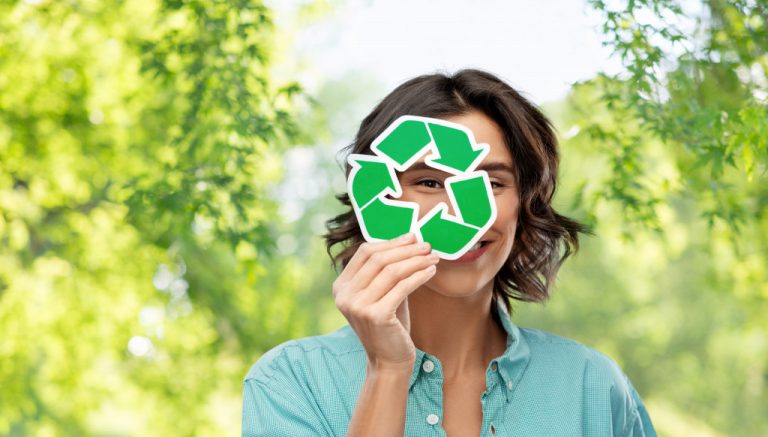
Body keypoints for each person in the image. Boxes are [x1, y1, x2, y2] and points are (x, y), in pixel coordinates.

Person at [242, 69, 657, 437]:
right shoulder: (291, 381)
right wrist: (388, 370)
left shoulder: (593, 389)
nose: (462, 216)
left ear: (526, 205)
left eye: (492, 184)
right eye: (428, 182)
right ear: (374, 194)